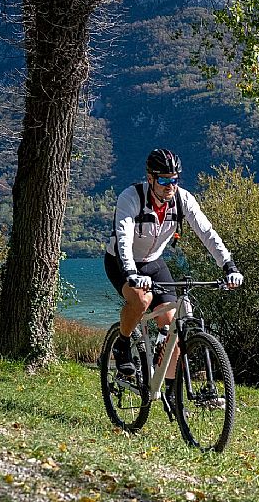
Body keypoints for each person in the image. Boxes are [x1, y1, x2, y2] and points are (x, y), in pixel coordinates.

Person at [104, 148, 243, 380]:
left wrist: (228, 265)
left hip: (153, 263)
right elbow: (124, 238)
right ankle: (122, 343)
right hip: (121, 260)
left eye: (174, 179)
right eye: (164, 180)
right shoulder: (131, 198)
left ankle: (169, 392)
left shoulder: (182, 199)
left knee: (174, 328)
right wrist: (130, 272)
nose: (170, 185)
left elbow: (207, 233)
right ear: (150, 179)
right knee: (141, 299)